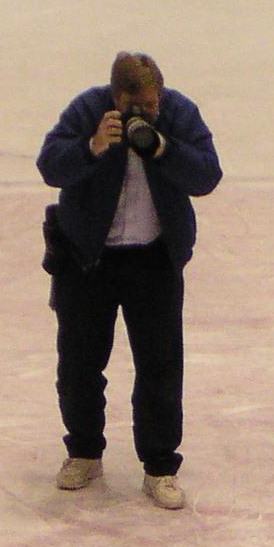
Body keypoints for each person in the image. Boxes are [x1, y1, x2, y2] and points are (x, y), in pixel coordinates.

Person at [37, 51, 222, 511]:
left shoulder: (178, 113)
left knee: (160, 367)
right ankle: (84, 452)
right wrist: (92, 146)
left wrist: (163, 148)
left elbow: (207, 174)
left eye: (155, 102)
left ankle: (160, 467)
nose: (151, 111)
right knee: (78, 365)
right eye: (142, 106)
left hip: (153, 261)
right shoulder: (88, 110)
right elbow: (50, 166)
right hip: (88, 261)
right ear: (119, 98)